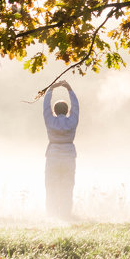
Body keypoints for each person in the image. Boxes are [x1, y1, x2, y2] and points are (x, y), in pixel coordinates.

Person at [42, 80, 79, 218]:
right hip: (69, 154)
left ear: (54, 111)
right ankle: (66, 214)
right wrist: (69, 89)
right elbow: (76, 106)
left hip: (53, 155)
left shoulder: (50, 120)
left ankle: (51, 214)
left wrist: (51, 89)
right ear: (67, 110)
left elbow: (45, 107)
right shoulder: (73, 120)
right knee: (68, 186)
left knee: (51, 185)